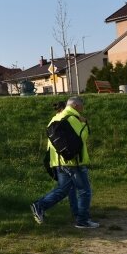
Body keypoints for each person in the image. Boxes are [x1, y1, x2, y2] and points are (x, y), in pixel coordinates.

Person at [31, 97, 98, 229]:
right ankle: (82, 221)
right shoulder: (74, 119)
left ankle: (40, 206)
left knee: (64, 189)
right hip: (73, 161)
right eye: (81, 106)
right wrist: (85, 123)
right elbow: (83, 136)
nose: (82, 109)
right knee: (84, 190)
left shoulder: (55, 118)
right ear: (76, 106)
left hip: (58, 161)